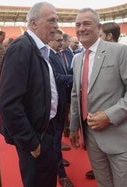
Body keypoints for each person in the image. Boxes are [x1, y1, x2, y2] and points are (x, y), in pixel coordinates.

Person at [69, 8, 127, 187]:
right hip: (91, 137)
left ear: (99, 27)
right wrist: (74, 127)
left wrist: (109, 115)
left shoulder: (119, 51)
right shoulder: (79, 59)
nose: (81, 28)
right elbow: (76, 95)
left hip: (118, 137)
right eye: (78, 24)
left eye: (86, 23)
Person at [0, 2, 59, 187]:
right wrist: (31, 142)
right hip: (35, 136)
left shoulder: (38, 48)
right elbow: (8, 103)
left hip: (45, 131)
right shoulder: (21, 48)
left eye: (57, 20)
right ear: (33, 23)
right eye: (51, 20)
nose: (57, 25)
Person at [48, 29, 73, 187]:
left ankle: (58, 158)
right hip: (54, 104)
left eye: (61, 40)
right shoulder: (47, 55)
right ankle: (61, 174)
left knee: (57, 138)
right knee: (55, 139)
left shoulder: (57, 54)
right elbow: (55, 78)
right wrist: (75, 77)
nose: (61, 43)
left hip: (62, 100)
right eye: (58, 40)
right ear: (49, 40)